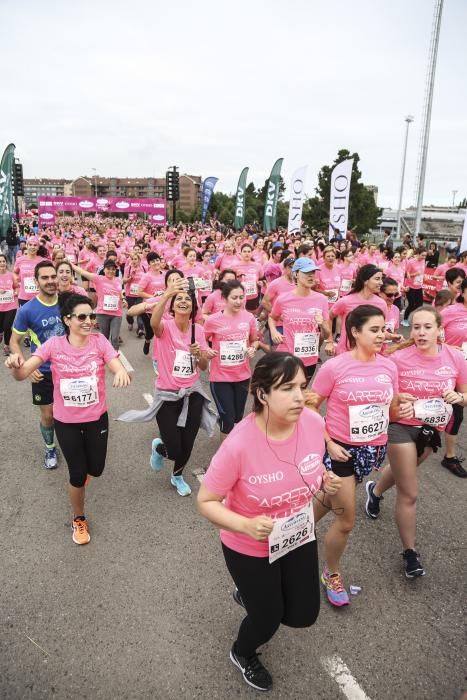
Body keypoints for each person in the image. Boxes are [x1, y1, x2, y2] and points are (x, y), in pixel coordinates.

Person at [197, 352, 342, 692]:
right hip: (249, 544)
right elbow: (205, 501)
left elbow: (308, 464)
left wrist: (324, 480)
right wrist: (245, 525)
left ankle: (250, 596)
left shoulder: (312, 422)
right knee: (268, 617)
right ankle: (243, 652)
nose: (299, 396)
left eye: (302, 387)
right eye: (287, 388)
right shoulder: (238, 445)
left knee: (303, 614)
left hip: (297, 534)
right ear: (262, 394)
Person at [5, 294, 131, 545]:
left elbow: (117, 365)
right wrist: (15, 364)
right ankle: (79, 518)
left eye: (91, 316)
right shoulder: (53, 345)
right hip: (66, 421)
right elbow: (22, 375)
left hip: (96, 418)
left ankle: (84, 473)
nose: (89, 321)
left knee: (96, 469)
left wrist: (120, 373)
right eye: (82, 316)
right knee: (77, 474)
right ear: (67, 319)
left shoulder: (99, 341)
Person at [308, 305, 410, 605]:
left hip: (372, 450)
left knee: (330, 500)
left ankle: (290, 532)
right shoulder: (335, 367)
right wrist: (327, 442)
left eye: (384, 329)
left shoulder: (388, 367)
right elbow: (311, 407)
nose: (383, 335)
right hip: (341, 451)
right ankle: (332, 573)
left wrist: (400, 407)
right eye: (374, 330)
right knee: (346, 520)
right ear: (354, 331)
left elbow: (389, 409)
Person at [365, 306, 467, 577]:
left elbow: (465, 393)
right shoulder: (398, 358)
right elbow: (380, 393)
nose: (420, 333)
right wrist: (397, 401)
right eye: (417, 327)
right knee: (409, 492)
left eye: (427, 327)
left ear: (439, 329)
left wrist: (460, 398)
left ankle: (374, 492)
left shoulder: (455, 359)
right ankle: (410, 553)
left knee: (402, 474)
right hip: (400, 427)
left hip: (430, 430)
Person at [137, 275, 213, 497]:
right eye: (178, 299)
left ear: (193, 306)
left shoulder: (198, 330)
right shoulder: (164, 327)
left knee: (187, 444)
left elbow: (204, 366)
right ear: (172, 305)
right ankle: (159, 448)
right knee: (174, 447)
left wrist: (199, 355)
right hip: (168, 395)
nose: (183, 301)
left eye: (187, 299)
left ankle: (177, 475)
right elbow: (153, 323)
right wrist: (168, 293)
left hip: (192, 394)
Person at [9, 261, 65, 469]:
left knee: (70, 412)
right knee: (48, 415)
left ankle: (73, 445)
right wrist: (26, 365)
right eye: (45, 277)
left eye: (53, 276)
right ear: (36, 281)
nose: (51, 281)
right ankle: (50, 447)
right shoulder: (27, 310)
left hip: (68, 369)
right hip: (42, 371)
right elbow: (14, 341)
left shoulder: (68, 302)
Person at [204, 281, 259, 442]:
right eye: (234, 297)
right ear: (225, 299)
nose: (238, 301)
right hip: (220, 378)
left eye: (241, 297)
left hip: (242, 376)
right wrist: (206, 350)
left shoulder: (248, 318)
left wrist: (253, 348)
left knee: (237, 418)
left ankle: (233, 445)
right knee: (228, 421)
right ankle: (225, 460)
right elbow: (202, 340)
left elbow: (254, 340)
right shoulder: (213, 320)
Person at [269, 258, 335, 381]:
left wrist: (323, 326)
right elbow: (272, 317)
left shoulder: (321, 299)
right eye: (307, 273)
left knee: (302, 394)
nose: (311, 276)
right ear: (296, 274)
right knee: (287, 393)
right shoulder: (283, 299)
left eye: (313, 273)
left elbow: (326, 334)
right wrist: (274, 331)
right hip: (288, 355)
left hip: (309, 356)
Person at [438, 278, 467, 477]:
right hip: (453, 366)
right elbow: (434, 336)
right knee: (457, 411)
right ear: (462, 292)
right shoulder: (449, 312)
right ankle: (449, 456)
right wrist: (449, 348)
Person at [330, 264, 387, 354]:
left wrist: (391, 336)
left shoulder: (382, 304)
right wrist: (329, 341)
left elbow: (381, 329)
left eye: (381, 279)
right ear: (365, 281)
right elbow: (329, 317)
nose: (381, 282)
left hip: (370, 354)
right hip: (346, 353)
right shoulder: (346, 301)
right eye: (377, 279)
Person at [71, 259, 126, 350]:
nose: (111, 271)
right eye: (108, 269)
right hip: (102, 313)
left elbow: (120, 293)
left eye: (113, 269)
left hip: (117, 313)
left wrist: (123, 299)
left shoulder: (118, 280)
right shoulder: (98, 279)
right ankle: (104, 356)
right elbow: (82, 272)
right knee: (104, 337)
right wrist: (70, 264)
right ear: (104, 270)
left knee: (115, 338)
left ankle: (114, 356)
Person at [402, 247, 427, 326]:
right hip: (410, 286)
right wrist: (415, 274)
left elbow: (422, 272)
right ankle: (405, 319)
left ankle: (415, 318)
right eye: (422, 255)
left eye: (425, 256)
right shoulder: (411, 262)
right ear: (418, 254)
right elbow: (406, 275)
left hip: (419, 286)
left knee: (420, 304)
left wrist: (424, 277)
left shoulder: (423, 261)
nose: (424, 257)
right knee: (412, 304)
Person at [0, 253, 18, 355]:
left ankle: (7, 345)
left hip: (11, 305)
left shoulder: (11, 275)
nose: (2, 263)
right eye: (0, 262)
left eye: (4, 261)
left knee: (7, 326)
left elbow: (16, 286)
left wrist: (16, 292)